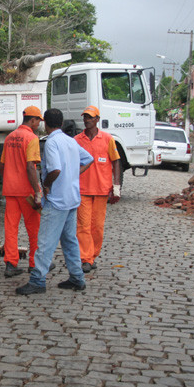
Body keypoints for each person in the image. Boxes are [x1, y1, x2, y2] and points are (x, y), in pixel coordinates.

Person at [16, 108, 93, 295]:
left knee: (45, 242)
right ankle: (77, 277)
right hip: (72, 198)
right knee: (70, 241)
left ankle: (37, 280)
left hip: (57, 200)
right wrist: (74, 174)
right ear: (61, 122)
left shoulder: (51, 142)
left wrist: (47, 186)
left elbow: (56, 169)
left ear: (45, 124)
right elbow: (89, 158)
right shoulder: (70, 141)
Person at [74, 105, 121, 273]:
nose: (87, 120)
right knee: (83, 225)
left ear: (97, 120)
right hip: (82, 189)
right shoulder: (77, 140)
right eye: (85, 117)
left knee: (97, 227)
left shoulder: (107, 139)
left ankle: (92, 255)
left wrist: (116, 187)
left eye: (90, 117)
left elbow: (116, 162)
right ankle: (85, 258)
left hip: (102, 190)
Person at [0, 106, 42, 277]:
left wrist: (9, 179)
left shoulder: (9, 137)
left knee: (11, 228)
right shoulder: (31, 138)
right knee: (34, 228)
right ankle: (34, 263)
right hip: (26, 192)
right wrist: (37, 191)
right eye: (38, 120)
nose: (39, 124)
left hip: (10, 190)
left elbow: (2, 165)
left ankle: (11, 263)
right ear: (32, 120)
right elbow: (31, 167)